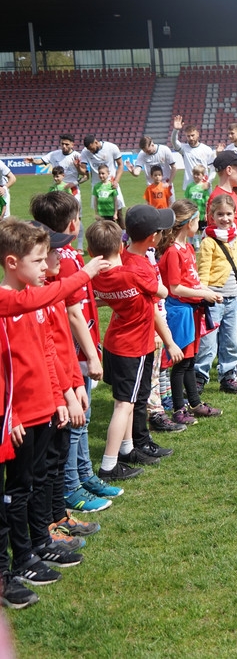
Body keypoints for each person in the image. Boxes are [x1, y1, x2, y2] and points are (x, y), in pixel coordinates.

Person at [0, 219, 111, 609]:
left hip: (42, 409)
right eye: (37, 260)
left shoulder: (31, 296)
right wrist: (86, 272)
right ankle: (16, 563)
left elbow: (47, 353)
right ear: (12, 262)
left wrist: (59, 396)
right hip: (16, 416)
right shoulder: (9, 301)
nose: (45, 267)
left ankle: (34, 547)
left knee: (30, 483)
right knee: (15, 492)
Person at [28, 191, 119, 514]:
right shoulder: (62, 259)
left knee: (83, 419)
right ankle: (71, 485)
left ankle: (84, 476)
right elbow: (73, 312)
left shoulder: (65, 255)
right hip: (72, 355)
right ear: (71, 224)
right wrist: (92, 355)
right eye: (78, 219)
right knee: (77, 421)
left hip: (75, 352)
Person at [87, 218, 177, 485]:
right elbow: (163, 292)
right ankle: (109, 464)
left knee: (126, 400)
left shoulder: (96, 276)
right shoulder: (132, 273)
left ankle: (127, 449)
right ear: (120, 246)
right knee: (124, 405)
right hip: (133, 347)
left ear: (90, 251)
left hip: (114, 343)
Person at [195, 194, 237, 398]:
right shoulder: (208, 242)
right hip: (214, 299)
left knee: (231, 340)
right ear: (212, 216)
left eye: (229, 214)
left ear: (234, 215)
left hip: (233, 298)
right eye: (220, 214)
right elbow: (203, 270)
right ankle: (199, 378)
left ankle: (228, 376)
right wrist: (204, 292)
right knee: (208, 343)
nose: (225, 218)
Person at [170, 116, 217, 190]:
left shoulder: (207, 149)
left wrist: (208, 182)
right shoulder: (184, 149)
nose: (191, 138)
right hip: (190, 187)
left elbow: (213, 168)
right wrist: (176, 130)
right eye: (188, 136)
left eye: (192, 135)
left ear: (197, 134)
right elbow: (174, 142)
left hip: (204, 186)